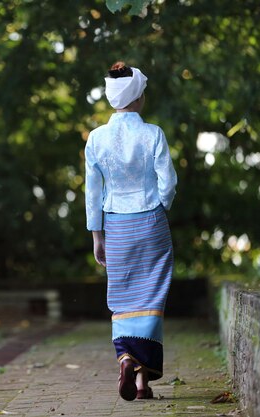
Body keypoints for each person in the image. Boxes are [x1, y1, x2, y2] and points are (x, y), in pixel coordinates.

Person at [84, 61, 178, 401]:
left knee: (123, 299)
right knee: (151, 297)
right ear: (138, 98)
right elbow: (168, 183)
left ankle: (126, 358)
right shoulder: (153, 133)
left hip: (115, 224)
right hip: (150, 220)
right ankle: (142, 383)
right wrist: (159, 207)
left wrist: (97, 236)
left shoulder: (96, 139)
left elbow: (92, 193)